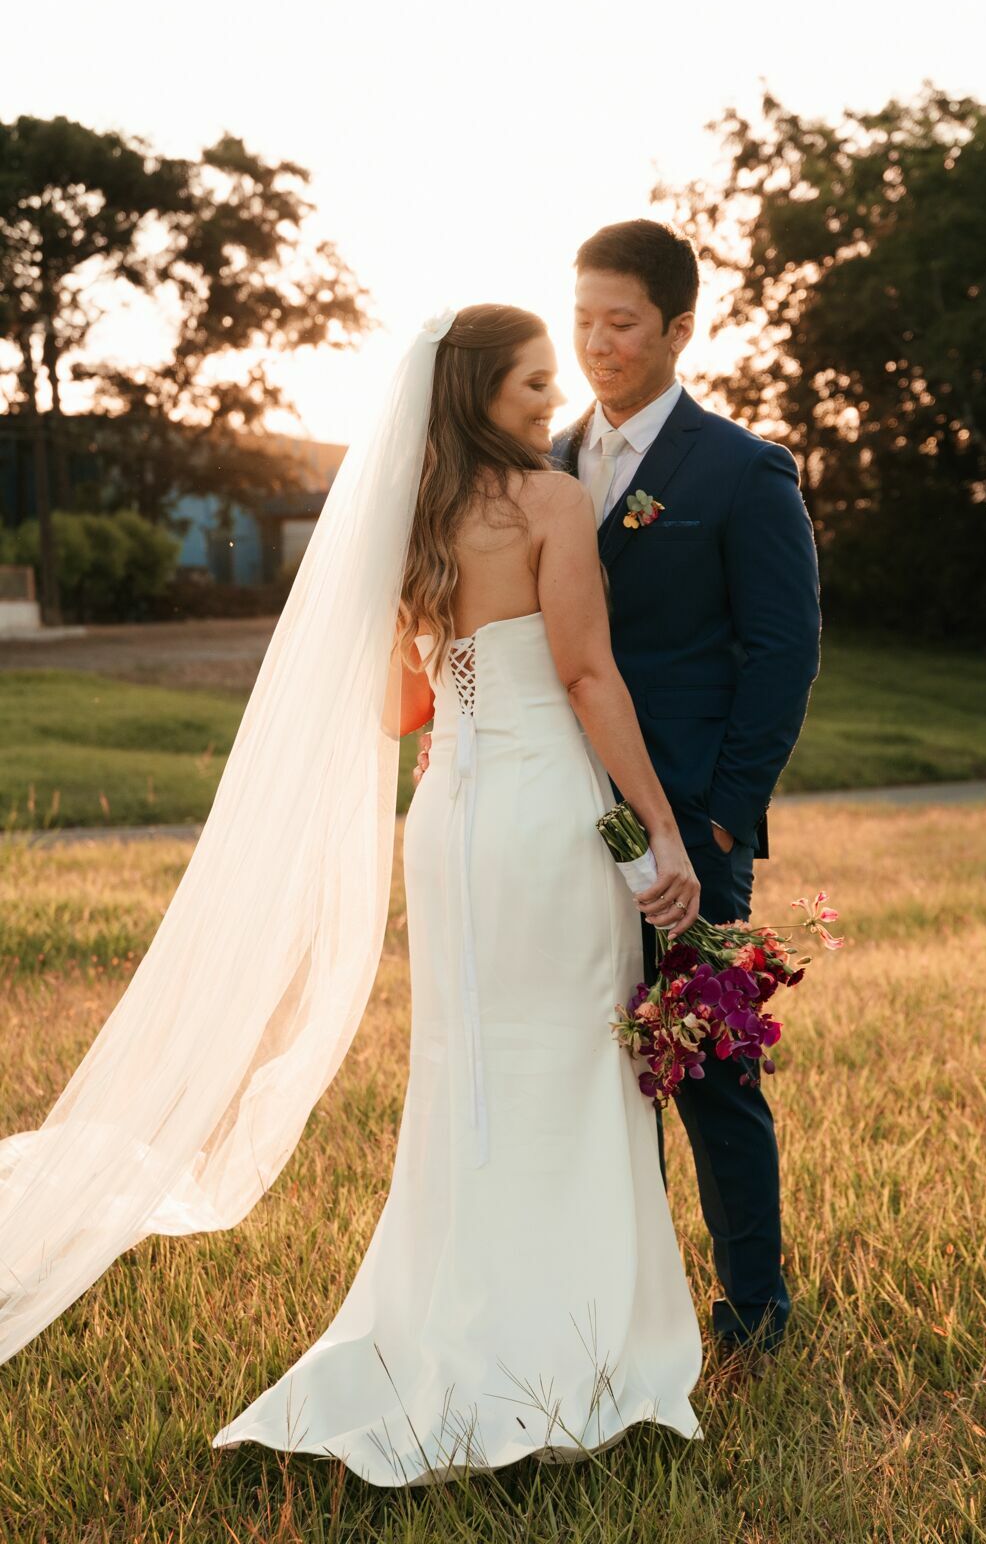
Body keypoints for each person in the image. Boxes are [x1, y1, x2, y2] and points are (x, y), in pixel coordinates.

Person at [0, 304, 707, 1487]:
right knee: (572, 1061)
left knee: (467, 1074)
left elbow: (402, 712)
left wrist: (450, 660)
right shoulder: (551, 504)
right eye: (532, 385)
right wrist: (661, 828)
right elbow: (587, 673)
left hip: (448, 824)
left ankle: (455, 1317)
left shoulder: (411, 516)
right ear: (479, 392)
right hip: (541, 817)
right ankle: (573, 1342)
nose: (551, 403)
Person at [550, 221, 822, 1361]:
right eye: (583, 323)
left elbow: (783, 650)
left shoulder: (741, 469)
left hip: (690, 820)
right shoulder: (543, 463)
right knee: (582, 1064)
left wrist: (718, 810)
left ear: (678, 327)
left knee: (706, 1061)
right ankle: (617, 1304)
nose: (599, 345)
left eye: (622, 323)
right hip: (556, 812)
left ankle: (752, 1308)